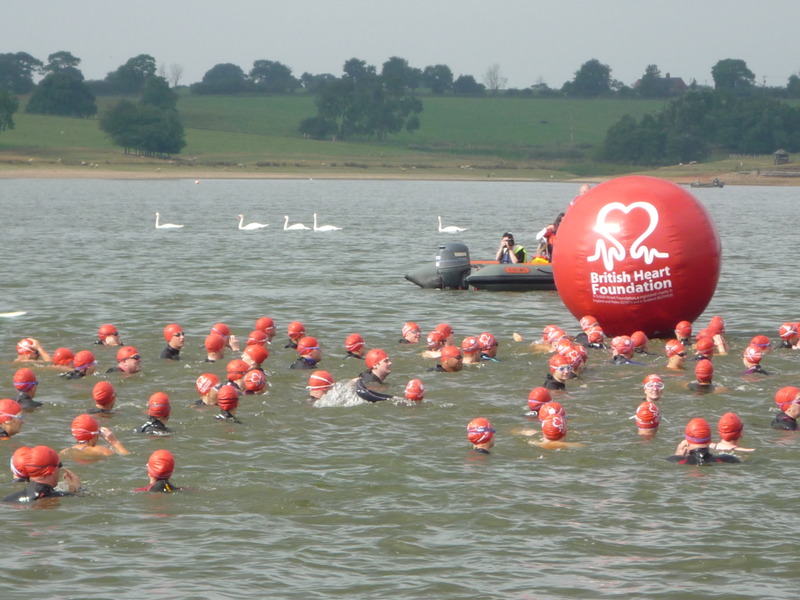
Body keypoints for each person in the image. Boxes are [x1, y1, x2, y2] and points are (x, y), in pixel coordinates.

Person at [2, 445, 81, 503]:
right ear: (51, 470)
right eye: (59, 465)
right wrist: (77, 490)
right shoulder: (58, 496)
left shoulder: (8, 499)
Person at [666, 418, 742, 465]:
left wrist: (677, 457)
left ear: (687, 442)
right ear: (710, 440)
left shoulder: (672, 461)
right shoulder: (730, 459)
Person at [61, 414, 130, 459]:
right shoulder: (101, 450)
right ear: (95, 434)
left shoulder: (64, 452)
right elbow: (127, 458)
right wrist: (114, 442)